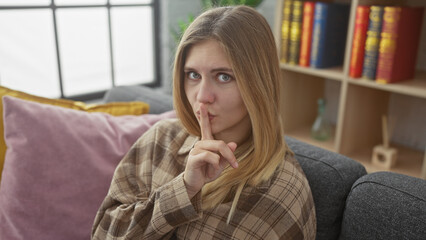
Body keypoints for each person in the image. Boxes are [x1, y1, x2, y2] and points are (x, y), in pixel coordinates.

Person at [92, 5, 316, 239]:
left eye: (223, 76)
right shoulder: (160, 140)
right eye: (193, 75)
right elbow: (102, 234)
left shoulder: (282, 192)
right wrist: (183, 190)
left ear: (259, 83)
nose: (202, 96)